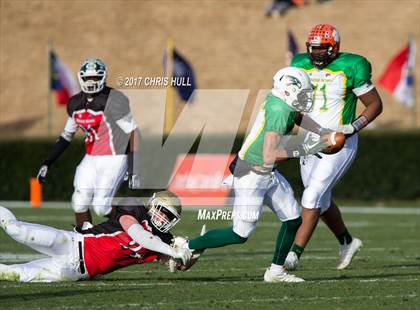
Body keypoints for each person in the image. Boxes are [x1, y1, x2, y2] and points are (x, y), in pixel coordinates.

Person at [181, 67, 333, 283]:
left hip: (265, 172)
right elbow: (269, 155)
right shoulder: (279, 111)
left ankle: (276, 272)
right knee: (239, 234)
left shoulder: (281, 101)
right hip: (252, 173)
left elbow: (297, 116)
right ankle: (187, 246)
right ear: (288, 91)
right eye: (301, 93)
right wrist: (307, 148)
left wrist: (321, 131)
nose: (305, 98)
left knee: (292, 219)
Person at [285, 24, 383, 270]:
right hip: (309, 140)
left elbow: (374, 104)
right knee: (322, 200)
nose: (315, 53)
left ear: (334, 47)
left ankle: (293, 255)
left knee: (311, 195)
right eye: (312, 49)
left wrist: (352, 128)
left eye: (321, 49)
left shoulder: (352, 66)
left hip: (339, 143)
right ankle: (348, 242)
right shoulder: (299, 64)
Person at [37, 58, 141, 228]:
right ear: (81, 78)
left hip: (115, 156)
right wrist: (48, 162)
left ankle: (138, 225)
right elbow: (66, 135)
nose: (91, 82)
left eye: (95, 77)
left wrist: (133, 165)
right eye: (87, 78)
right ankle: (84, 243)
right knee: (79, 202)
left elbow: (133, 132)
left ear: (103, 77)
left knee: (101, 206)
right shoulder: (75, 103)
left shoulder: (114, 99)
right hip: (91, 157)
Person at [0, 191, 192, 282]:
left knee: (15, 274)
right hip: (72, 243)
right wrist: (171, 249)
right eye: (161, 211)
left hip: (77, 270)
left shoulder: (165, 240)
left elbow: (176, 265)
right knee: (16, 229)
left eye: (168, 216)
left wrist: (189, 252)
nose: (162, 218)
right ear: (152, 204)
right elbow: (138, 234)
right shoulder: (134, 207)